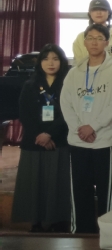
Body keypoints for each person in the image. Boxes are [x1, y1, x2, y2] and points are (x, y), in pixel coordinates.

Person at [61, 24, 112, 233]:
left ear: (106, 43)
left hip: (104, 139)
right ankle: (81, 231)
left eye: (99, 38)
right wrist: (79, 128)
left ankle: (108, 231)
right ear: (84, 42)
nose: (94, 42)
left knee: (106, 191)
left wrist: (93, 126)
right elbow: (66, 103)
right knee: (80, 188)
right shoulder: (74, 72)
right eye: (90, 38)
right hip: (78, 139)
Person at [11, 44, 72, 233]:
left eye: (55, 59)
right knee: (34, 182)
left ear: (62, 62)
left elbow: (69, 112)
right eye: (46, 59)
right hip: (34, 140)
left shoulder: (69, 84)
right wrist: (40, 135)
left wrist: (50, 134)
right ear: (40, 63)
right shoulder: (30, 85)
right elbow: (24, 113)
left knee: (57, 182)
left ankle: (57, 221)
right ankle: (36, 221)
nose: (50, 63)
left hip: (59, 139)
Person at [72, 0, 112, 64]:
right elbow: (78, 63)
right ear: (90, 13)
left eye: (102, 9)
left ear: (108, 12)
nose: (98, 13)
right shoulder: (81, 37)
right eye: (95, 10)